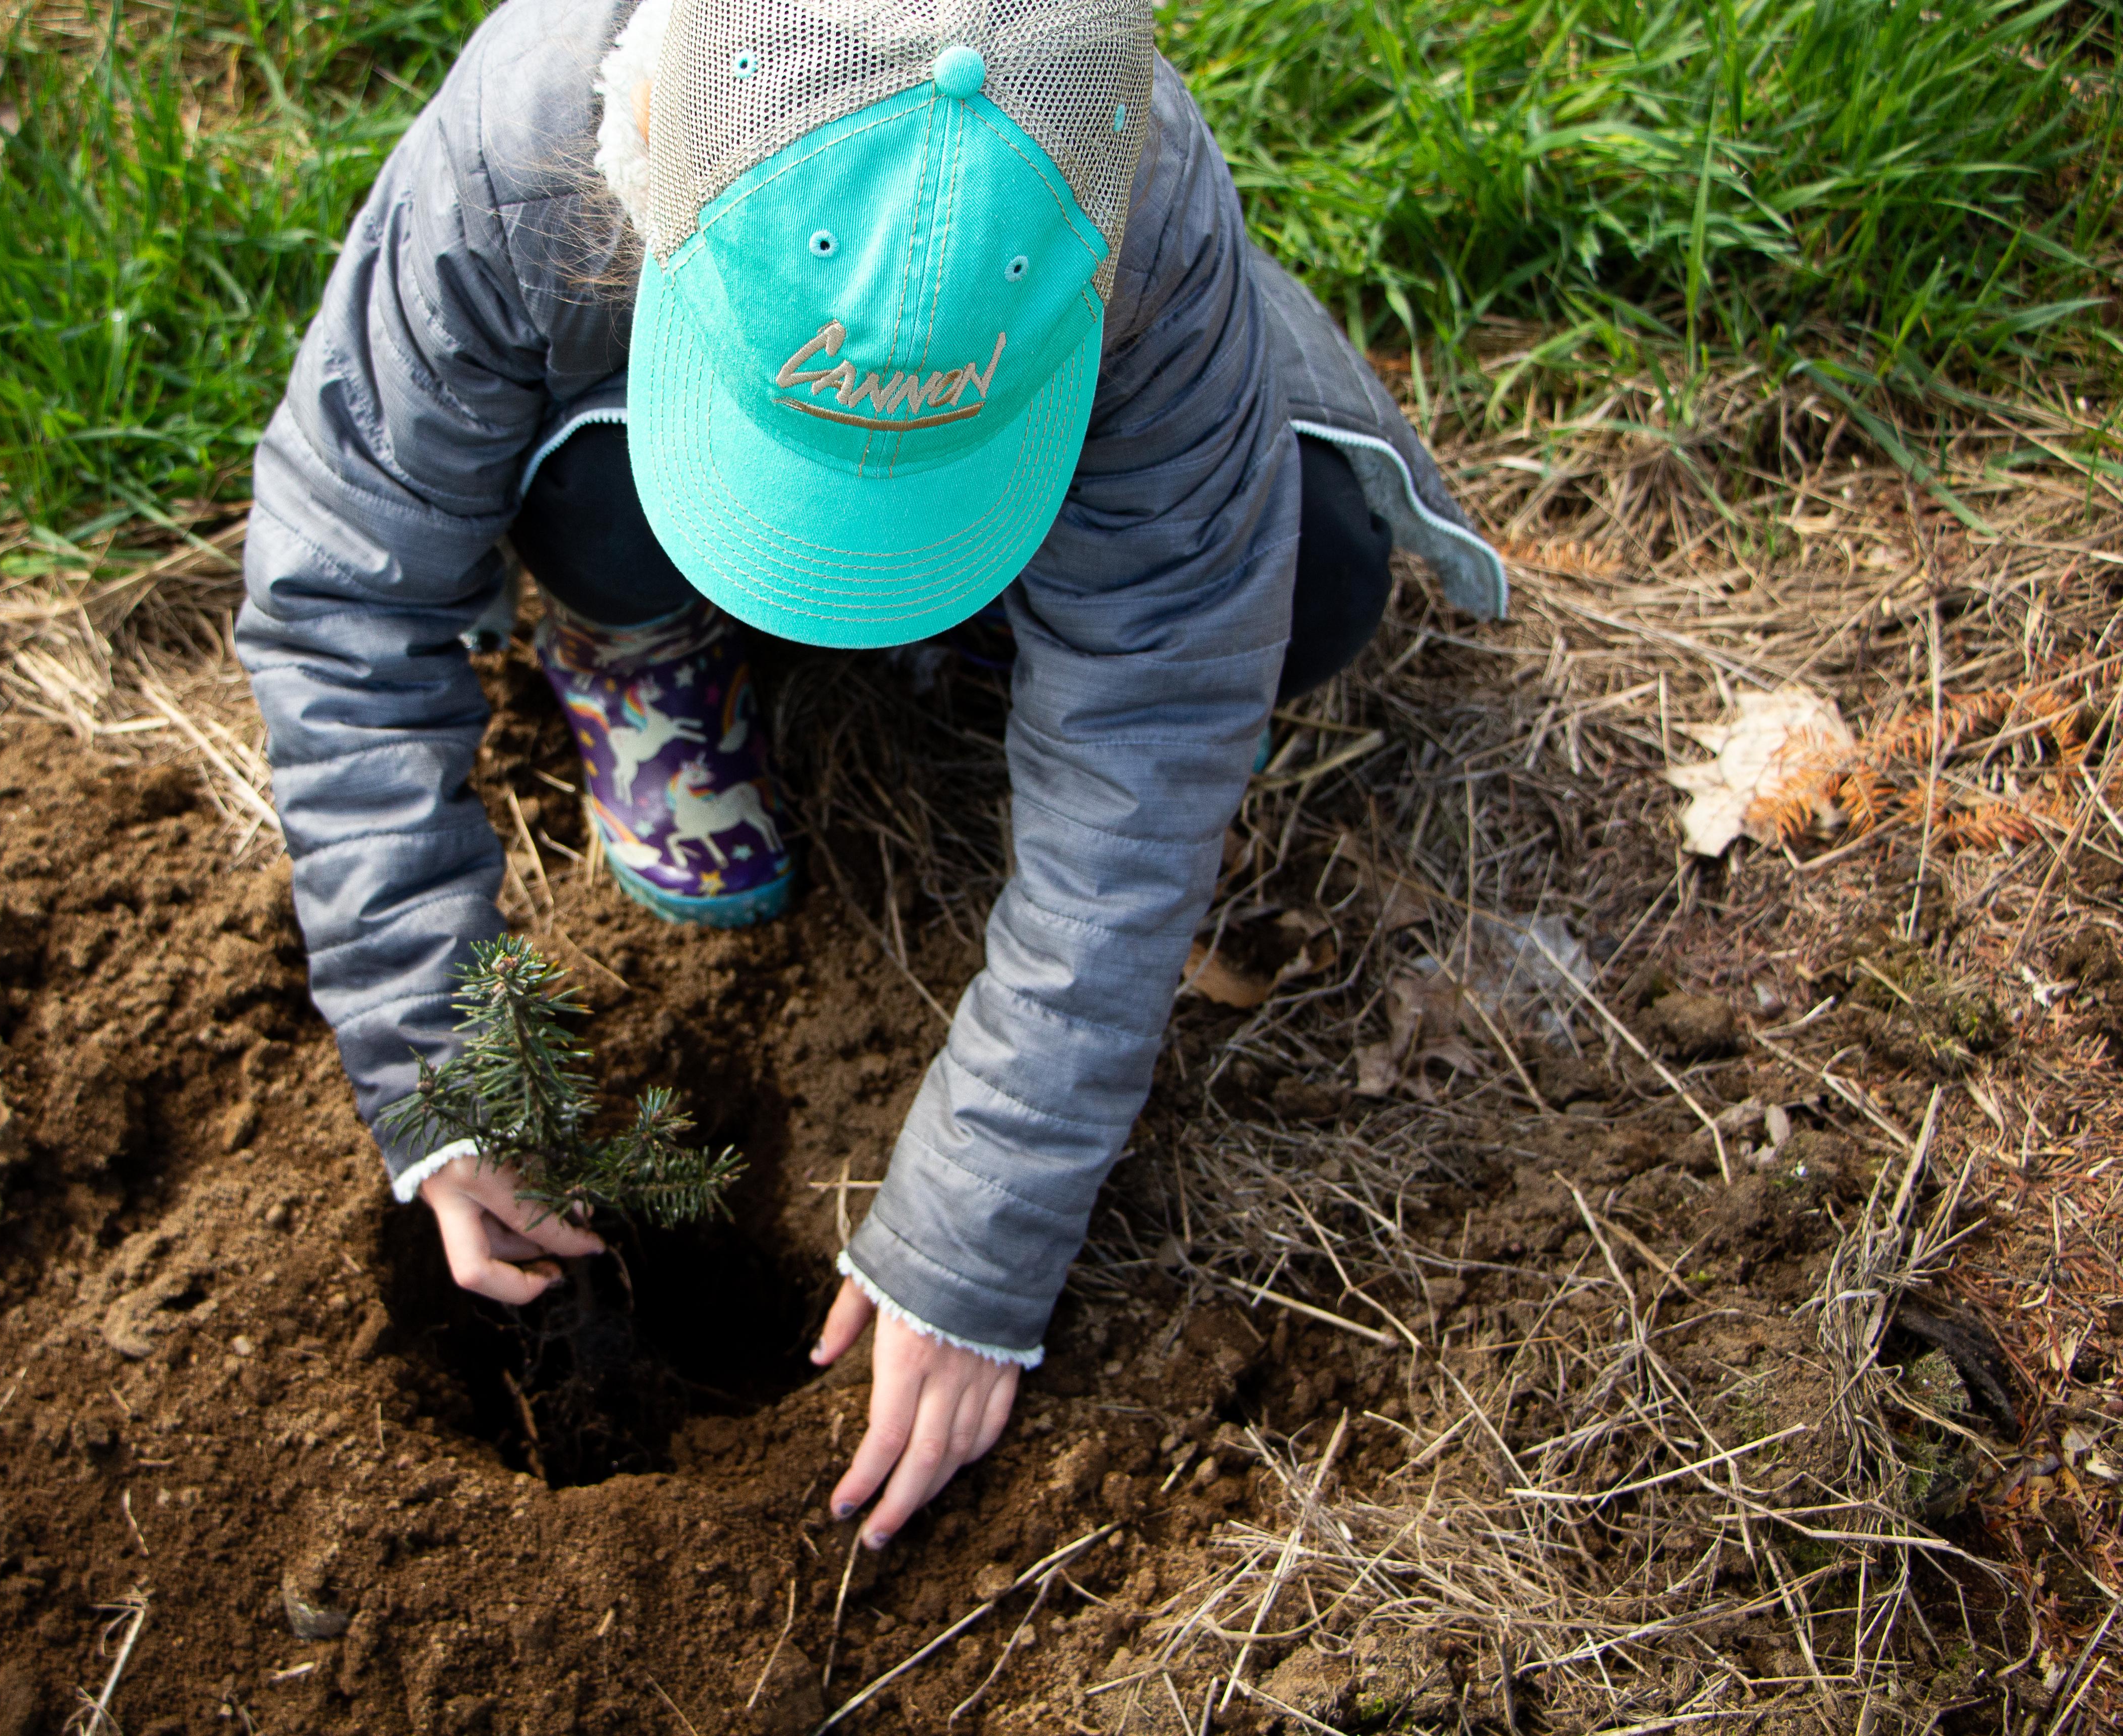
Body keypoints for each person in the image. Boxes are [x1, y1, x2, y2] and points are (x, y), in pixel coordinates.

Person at [238, 0, 1504, 1549]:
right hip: (607, 429)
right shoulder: (527, 145)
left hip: (1078, 410)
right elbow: (344, 585)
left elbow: (1170, 700)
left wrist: (983, 1234)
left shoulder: (1134, 192)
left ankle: (971, 616)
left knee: (1316, 572)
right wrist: (444, 1070)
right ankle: (637, 632)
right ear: (644, 156)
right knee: (589, 500)